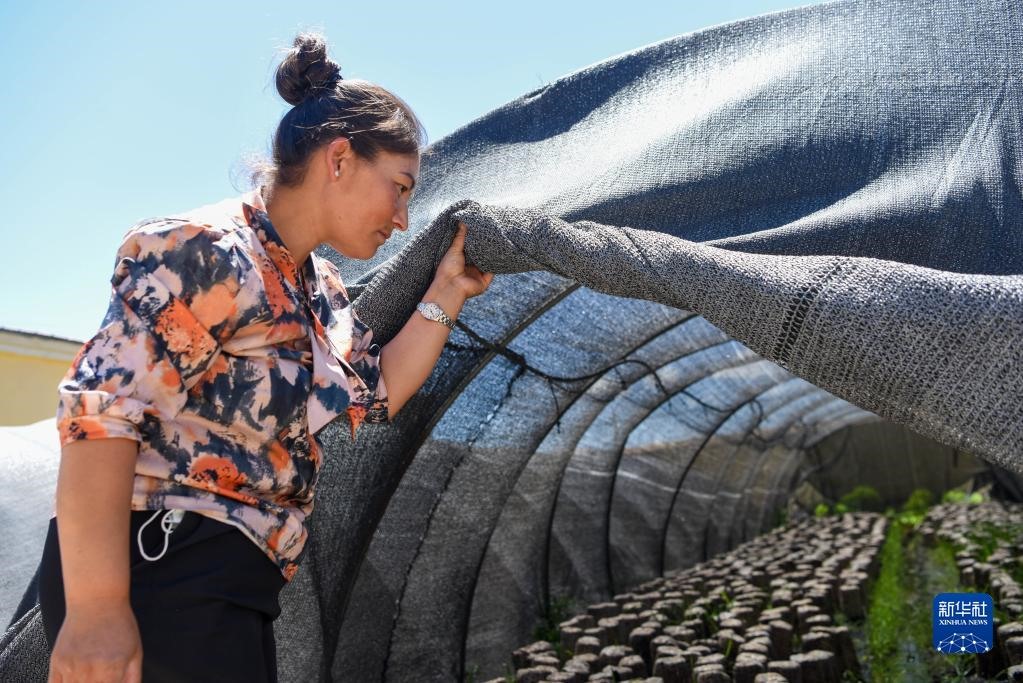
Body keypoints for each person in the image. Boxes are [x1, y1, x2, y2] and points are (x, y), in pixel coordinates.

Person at [39, 33, 493, 683]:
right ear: (340, 158)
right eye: (398, 187)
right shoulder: (210, 252)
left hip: (232, 587)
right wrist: (97, 610)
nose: (402, 218)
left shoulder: (318, 291)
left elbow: (378, 389)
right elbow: (101, 413)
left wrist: (448, 290)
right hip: (159, 570)